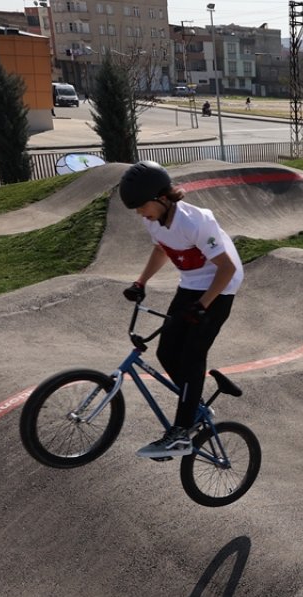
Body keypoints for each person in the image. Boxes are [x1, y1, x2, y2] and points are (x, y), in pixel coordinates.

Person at [118, 161, 244, 458]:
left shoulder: (195, 221)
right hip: (190, 283)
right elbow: (162, 249)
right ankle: (196, 406)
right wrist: (141, 282)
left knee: (192, 353)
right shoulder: (153, 221)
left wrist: (203, 306)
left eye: (141, 206)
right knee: (165, 352)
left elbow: (225, 268)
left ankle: (182, 431)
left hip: (220, 285)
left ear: (162, 198)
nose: (140, 213)